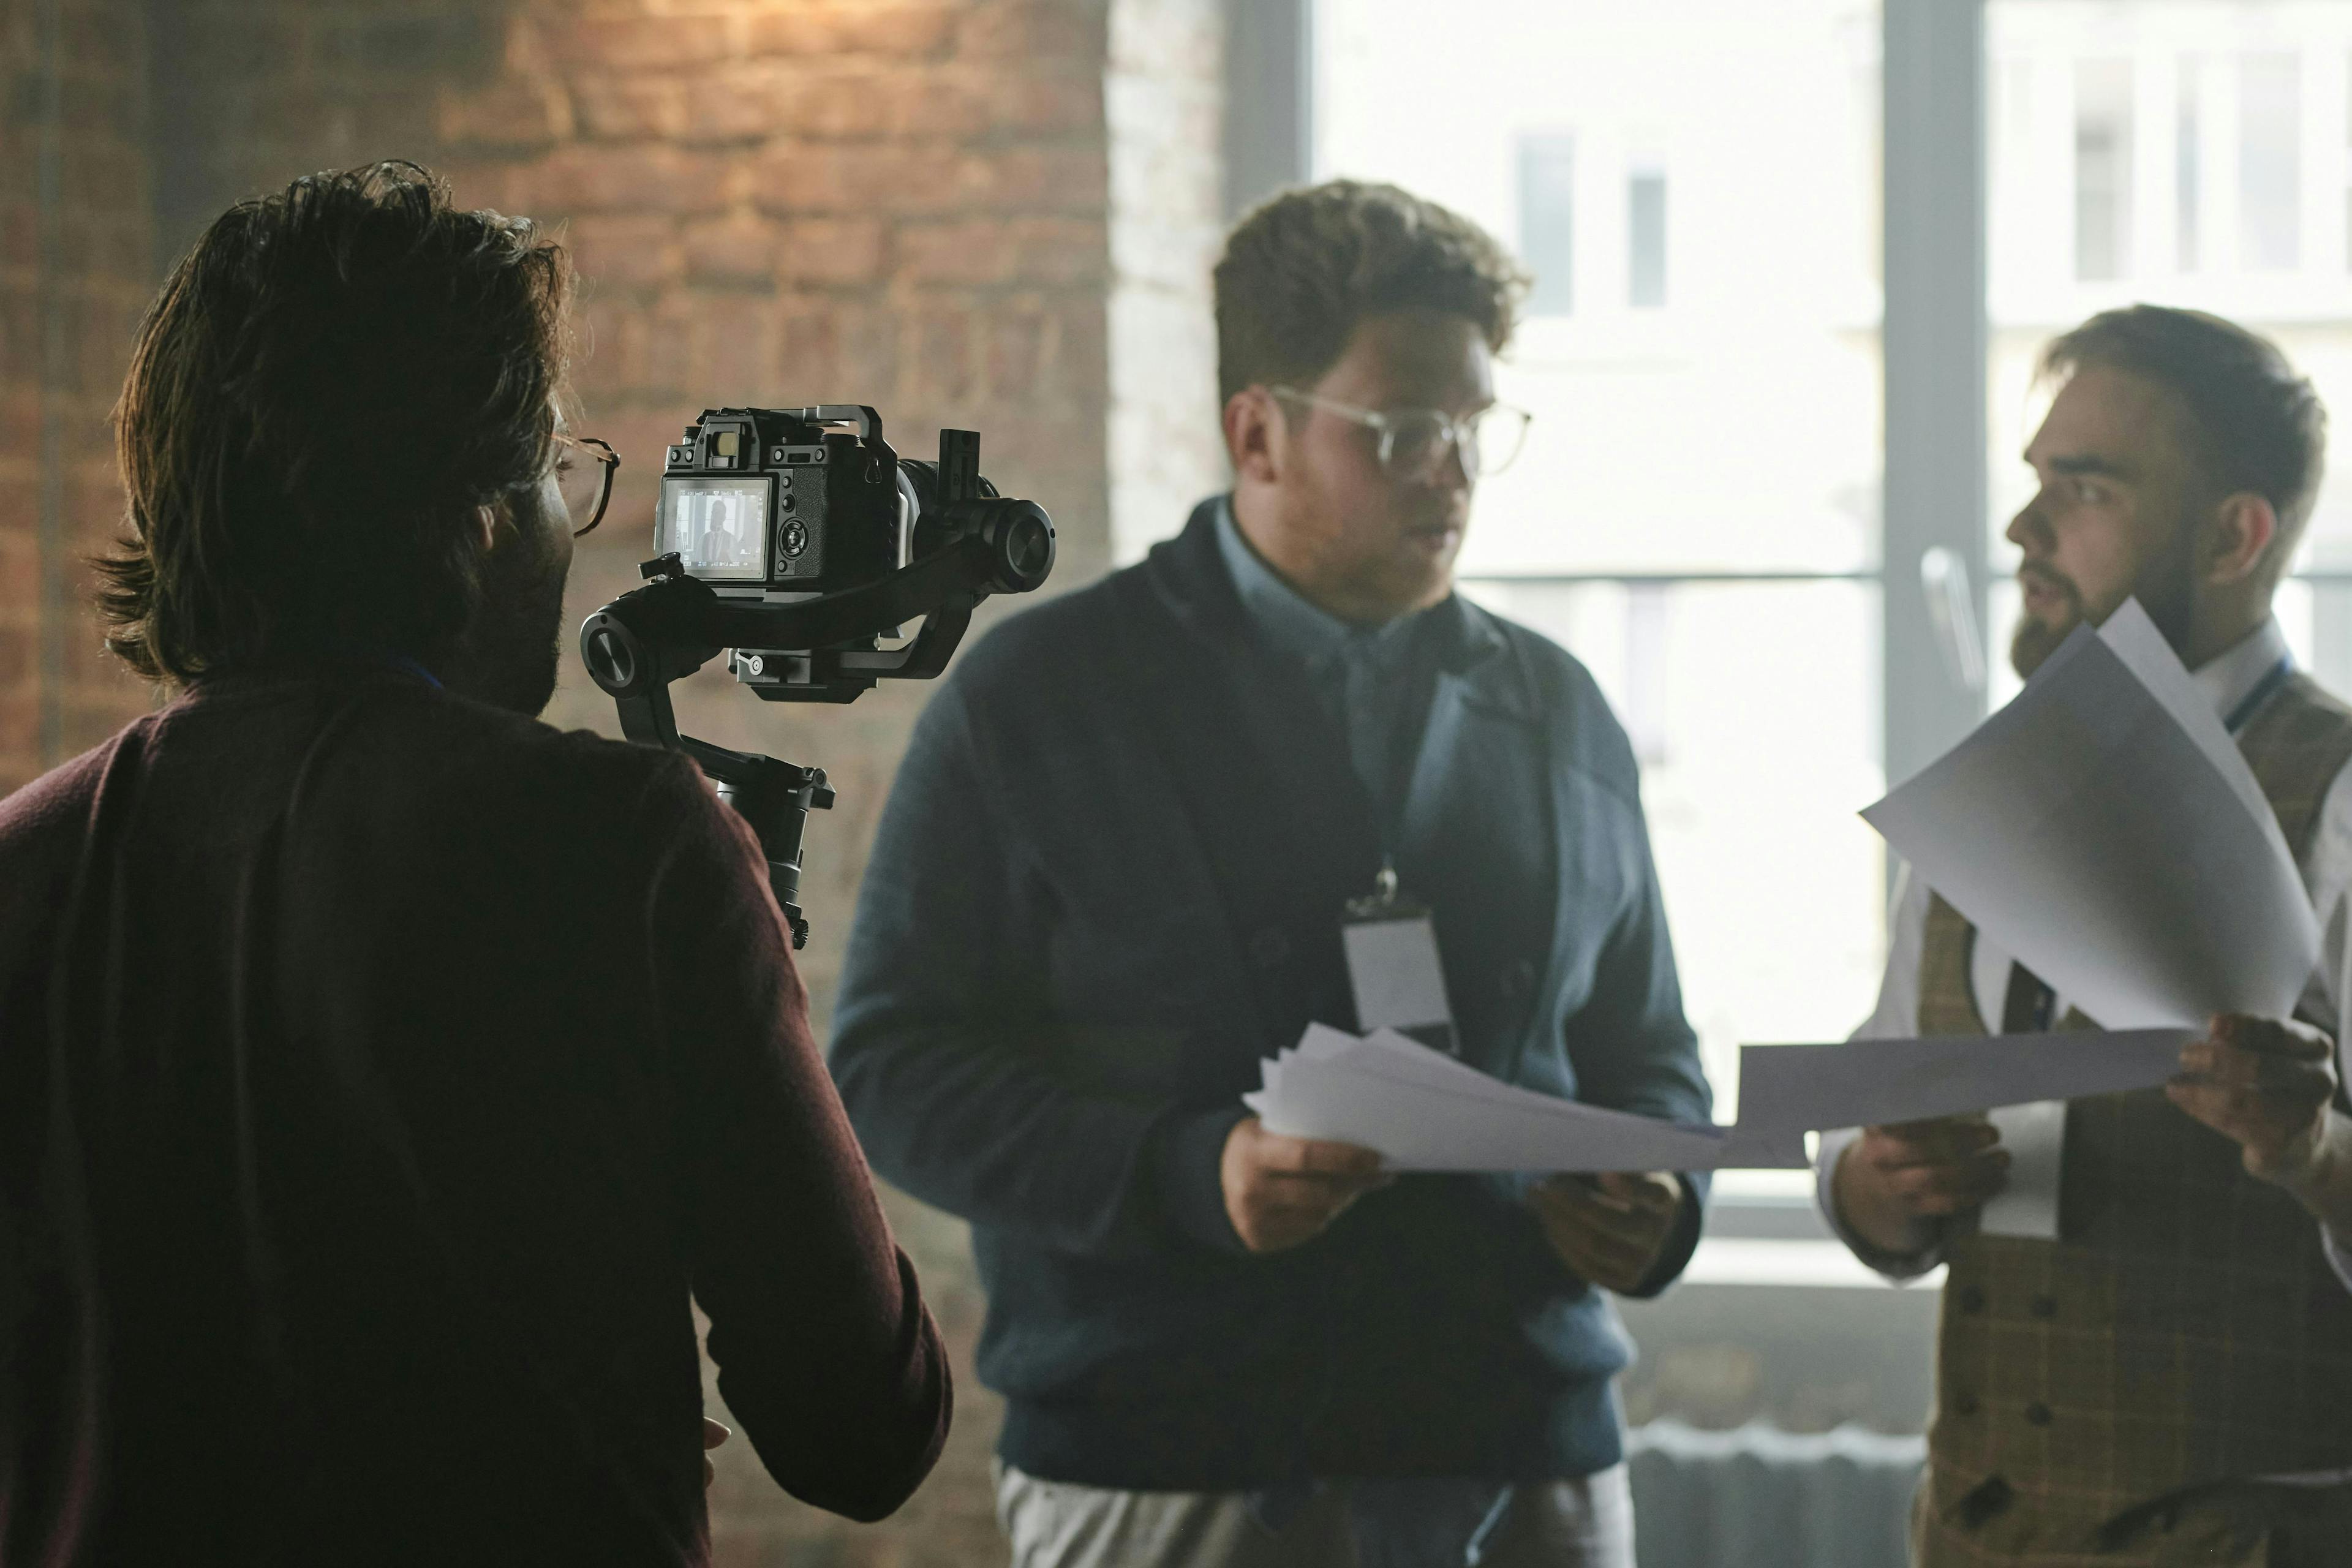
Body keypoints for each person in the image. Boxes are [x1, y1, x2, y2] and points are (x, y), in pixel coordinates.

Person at [0, 164, 949, 1567]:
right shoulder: (622, 843)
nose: (572, 521)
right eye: (559, 469)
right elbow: (861, 1426)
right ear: (479, 509)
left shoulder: (26, 865)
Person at [829, 180, 1714, 1568]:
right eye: (1407, 430)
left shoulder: (1562, 709)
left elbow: (1647, 1048)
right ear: (1258, 431)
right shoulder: (1044, 699)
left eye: (1478, 427)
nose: (1454, 470)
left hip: (1527, 1448)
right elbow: (888, 1066)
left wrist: (1665, 1204)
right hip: (1174, 1457)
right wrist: (1193, 1170)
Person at [1817, 305, 2352, 1566]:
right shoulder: (1979, 789)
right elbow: (1878, 1078)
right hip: (1974, 1528)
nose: (2024, 529)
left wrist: (2313, 1146)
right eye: (2033, 481)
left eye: (2085, 486)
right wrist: (1875, 1183)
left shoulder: (2341, 795)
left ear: (2236, 533)